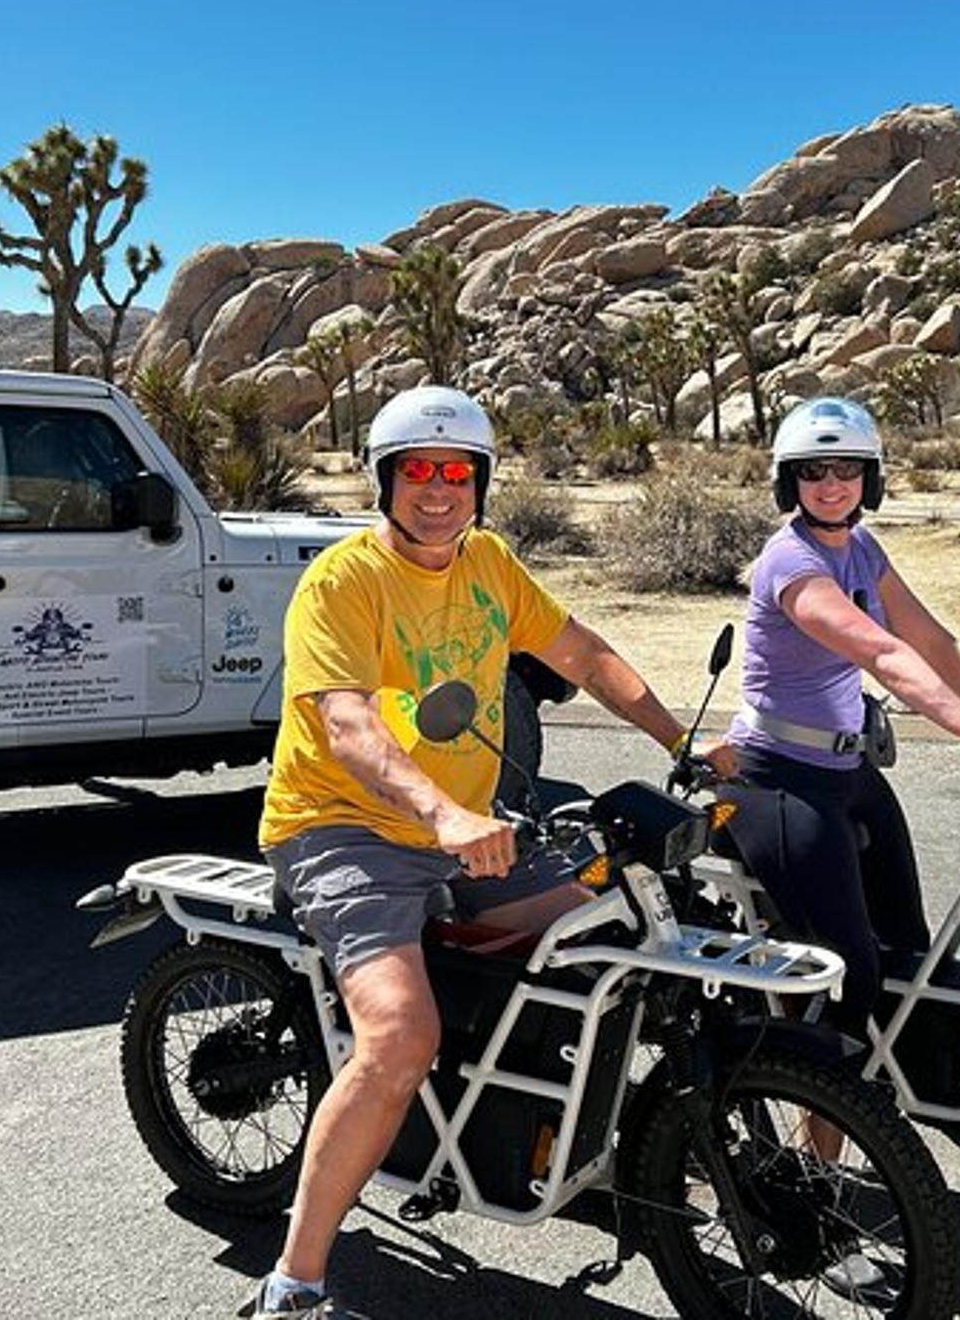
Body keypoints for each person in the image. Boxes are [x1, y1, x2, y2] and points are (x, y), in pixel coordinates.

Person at [245, 385, 736, 1319]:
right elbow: (347, 722)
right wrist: (443, 815)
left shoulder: (490, 564)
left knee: (601, 943)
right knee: (399, 1036)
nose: (438, 489)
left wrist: (679, 742)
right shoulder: (342, 582)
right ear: (386, 480)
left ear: (482, 483)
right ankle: (295, 1280)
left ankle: (549, 1133)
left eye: (457, 472)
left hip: (467, 823)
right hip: (344, 829)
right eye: (419, 471)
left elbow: (584, 653)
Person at [721, 396, 960, 1069]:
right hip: (778, 781)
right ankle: (820, 1157)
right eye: (813, 470)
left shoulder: (863, 548)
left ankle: (914, 1090)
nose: (831, 483)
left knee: (910, 949)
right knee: (850, 976)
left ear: (870, 478)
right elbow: (884, 655)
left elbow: (927, 638)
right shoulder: (788, 562)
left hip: (847, 774)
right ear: (789, 481)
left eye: (847, 467)